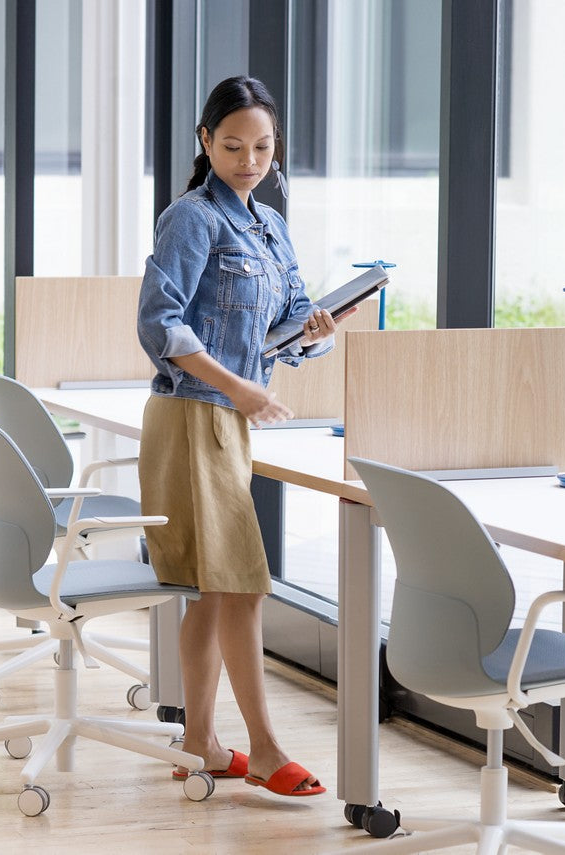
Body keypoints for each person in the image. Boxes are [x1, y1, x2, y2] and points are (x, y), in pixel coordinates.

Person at [136, 76, 345, 798]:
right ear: (205, 141)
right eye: (233, 146)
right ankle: (263, 747)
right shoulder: (192, 219)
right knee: (244, 587)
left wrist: (318, 329)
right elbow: (161, 324)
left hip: (228, 417)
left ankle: (199, 741)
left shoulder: (271, 224)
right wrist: (236, 385)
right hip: (196, 414)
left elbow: (285, 324)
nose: (249, 159)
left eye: (262, 146)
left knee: (213, 590)